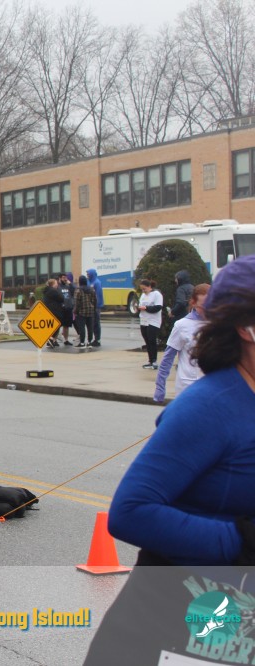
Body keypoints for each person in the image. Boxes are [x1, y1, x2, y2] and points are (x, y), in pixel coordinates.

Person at [84, 255, 255, 665]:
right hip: (178, 617)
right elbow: (129, 512)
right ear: (245, 327)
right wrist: (241, 541)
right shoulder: (208, 406)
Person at [154, 283, 209, 402]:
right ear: (193, 303)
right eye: (203, 306)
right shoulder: (182, 325)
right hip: (188, 386)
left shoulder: (219, 324)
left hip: (212, 387)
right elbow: (168, 358)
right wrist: (160, 386)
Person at [138, 278, 163, 369]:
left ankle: (154, 361)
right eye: (142, 289)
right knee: (147, 341)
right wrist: (139, 308)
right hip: (144, 320)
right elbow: (140, 305)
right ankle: (150, 360)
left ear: (149, 287)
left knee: (152, 340)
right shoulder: (143, 295)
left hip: (153, 321)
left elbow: (157, 307)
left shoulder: (156, 294)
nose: (143, 291)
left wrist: (146, 308)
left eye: (144, 289)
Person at [73, 275, 96, 348]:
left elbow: (77, 302)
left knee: (81, 328)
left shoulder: (78, 290)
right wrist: (94, 309)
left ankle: (82, 342)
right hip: (90, 311)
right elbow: (95, 300)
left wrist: (75, 311)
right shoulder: (91, 289)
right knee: (90, 328)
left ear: (80, 281)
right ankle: (89, 342)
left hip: (81, 312)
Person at [41, 278, 64, 348]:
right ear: (53, 284)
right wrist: (59, 291)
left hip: (49, 310)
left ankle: (52, 340)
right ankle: (51, 338)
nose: (57, 285)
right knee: (57, 324)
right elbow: (61, 298)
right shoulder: (53, 291)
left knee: (53, 325)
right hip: (54, 310)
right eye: (56, 283)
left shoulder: (47, 291)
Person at [86, 268, 104, 346]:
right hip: (89, 305)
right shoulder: (88, 282)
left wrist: (97, 305)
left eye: (88, 274)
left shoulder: (97, 282)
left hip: (96, 306)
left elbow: (99, 295)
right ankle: (94, 338)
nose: (87, 275)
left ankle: (97, 339)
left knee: (96, 322)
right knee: (91, 323)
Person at [57, 273, 75, 345]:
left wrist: (70, 284)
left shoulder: (68, 286)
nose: (65, 279)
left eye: (66, 277)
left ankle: (66, 340)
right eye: (63, 277)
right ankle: (54, 340)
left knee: (66, 325)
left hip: (68, 308)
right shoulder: (57, 287)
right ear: (60, 278)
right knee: (57, 325)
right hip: (60, 309)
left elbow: (74, 291)